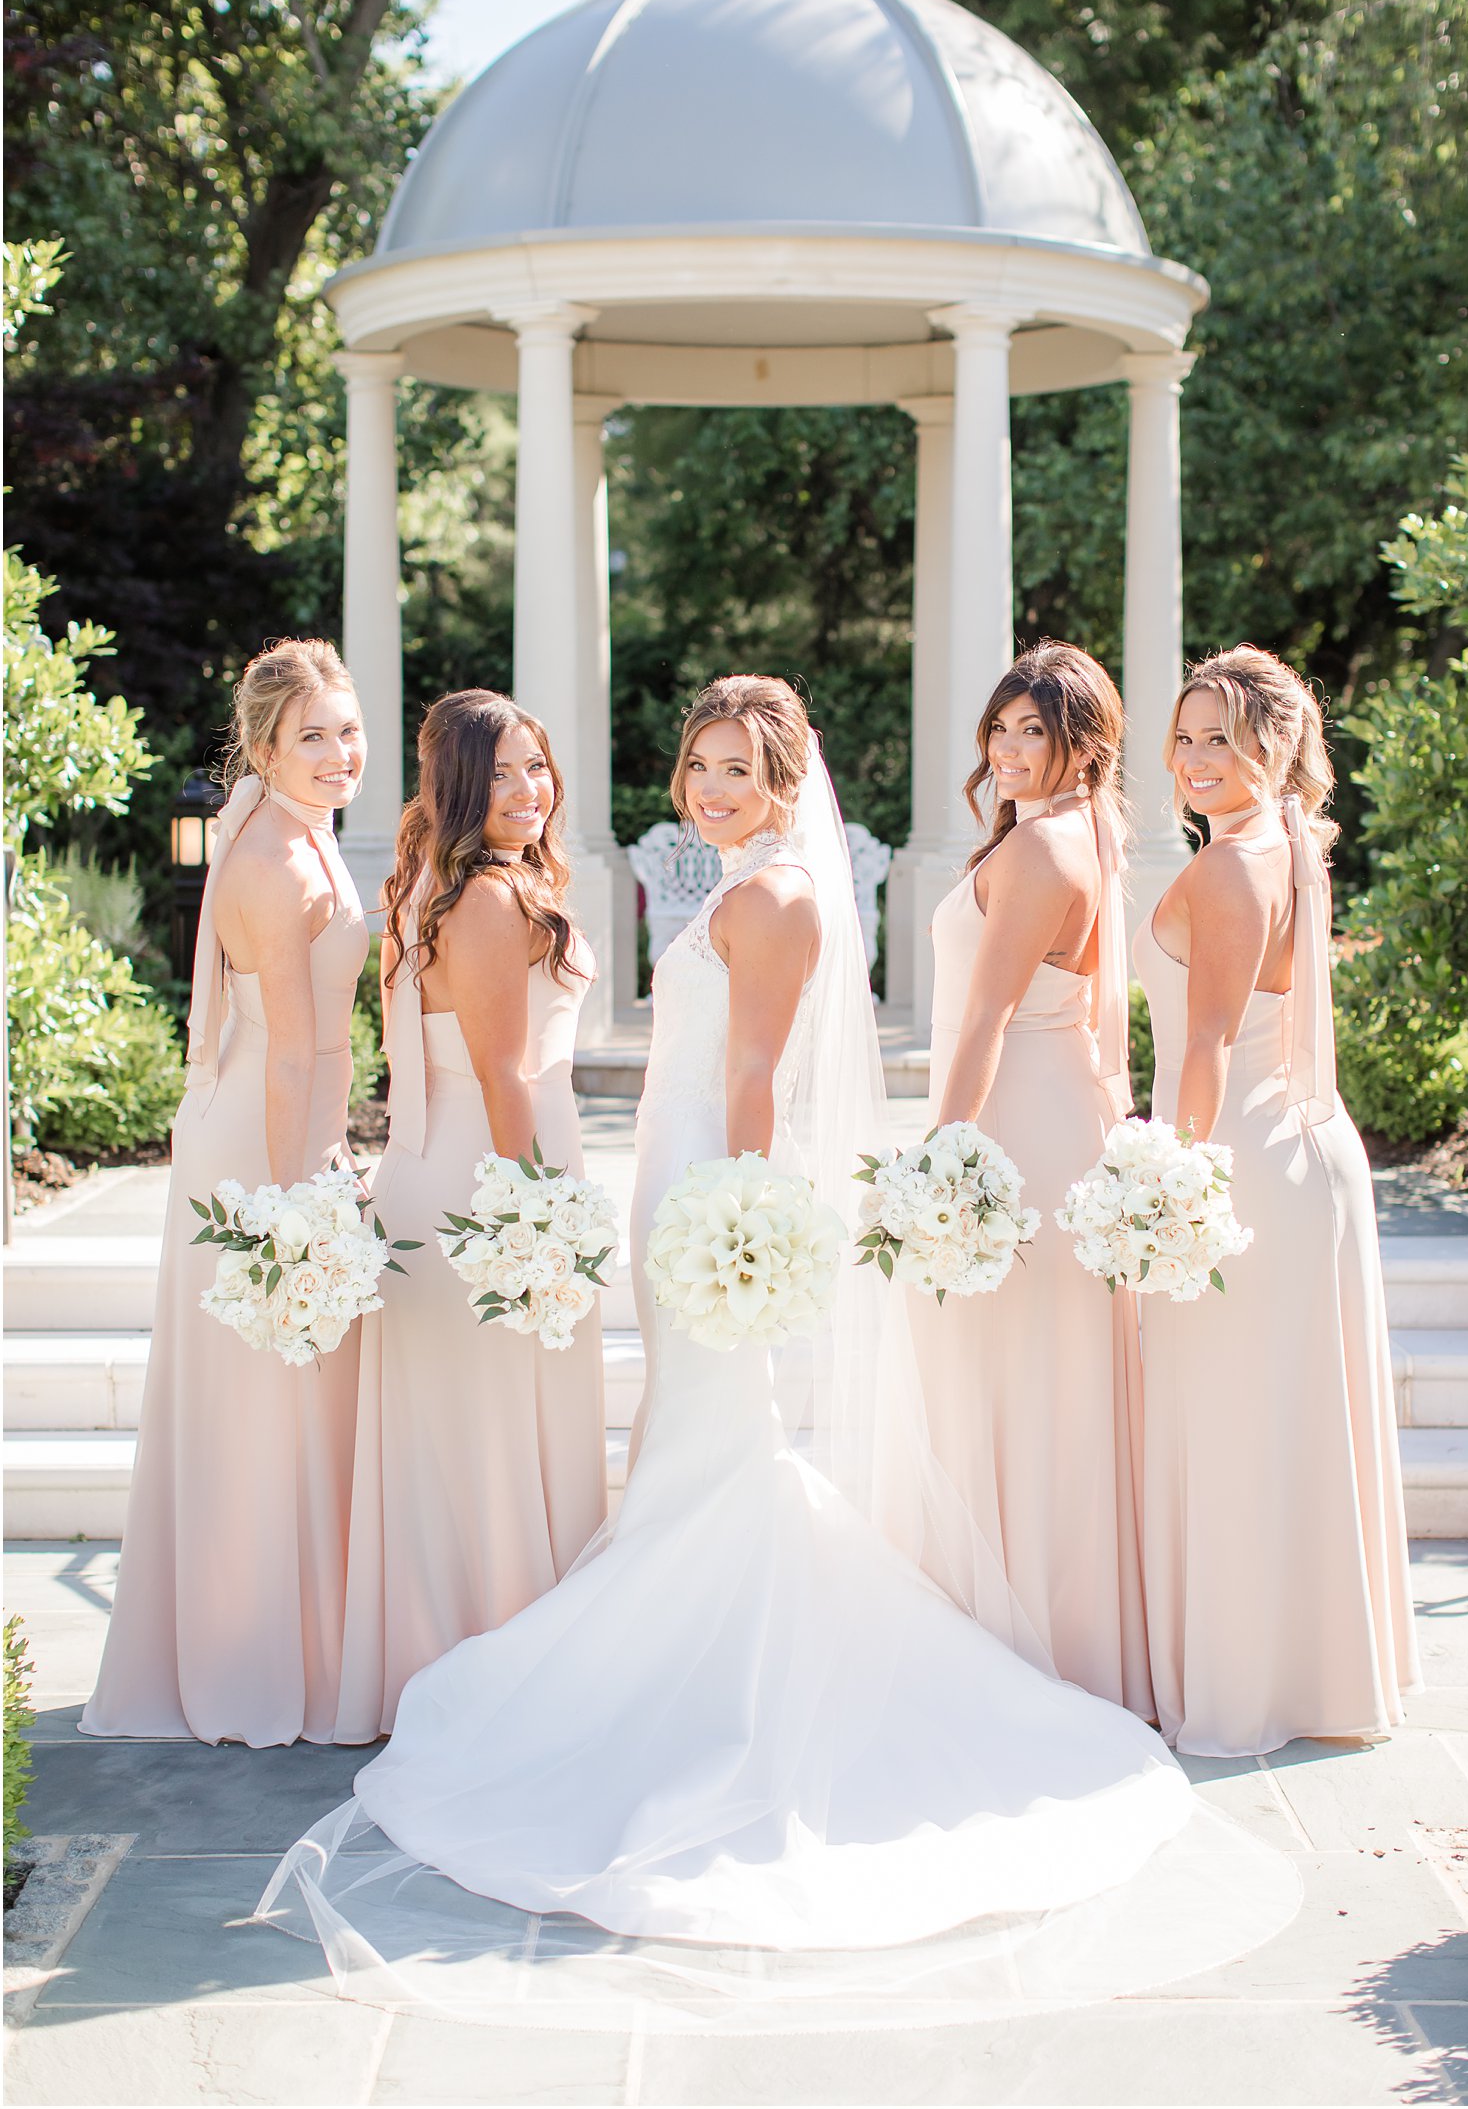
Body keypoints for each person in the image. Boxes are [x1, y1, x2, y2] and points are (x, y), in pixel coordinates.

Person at [259, 674, 1298, 2022]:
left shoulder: (775, 899)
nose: (710, 790)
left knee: (717, 1438)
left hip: (707, 1188)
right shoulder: (741, 886)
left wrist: (740, 1209)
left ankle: (707, 1677)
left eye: (739, 771)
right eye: (699, 765)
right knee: (695, 1435)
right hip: (680, 1181)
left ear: (789, 782)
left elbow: (755, 1074)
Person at [1133, 644, 1419, 1756]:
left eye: (1221, 738)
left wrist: (1167, 1183)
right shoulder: (1293, 849)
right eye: (1187, 736)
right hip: (1311, 1155)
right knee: (1290, 1421)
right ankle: (1314, 1678)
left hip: (1237, 1160)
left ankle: (1241, 1690)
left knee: (1232, 1427)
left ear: (1276, 747)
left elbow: (1201, 1044)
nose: (1195, 758)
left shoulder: (1226, 869)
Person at [82, 639, 369, 1746]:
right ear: (261, 747)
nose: (339, 752)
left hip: (283, 1132)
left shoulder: (306, 833)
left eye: (346, 730)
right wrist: (303, 1207)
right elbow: (294, 1054)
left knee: (282, 1398)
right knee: (260, 1398)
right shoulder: (276, 862)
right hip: (262, 1145)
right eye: (313, 737)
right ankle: (251, 1660)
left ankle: (291, 1638)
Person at [332, 692, 606, 1741]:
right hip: (491, 1176)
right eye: (498, 774)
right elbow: (502, 1074)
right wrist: (534, 1222)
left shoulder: (426, 886)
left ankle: (441, 1666)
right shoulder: (487, 900)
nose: (527, 791)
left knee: (459, 1440)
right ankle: (507, 1677)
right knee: (497, 1438)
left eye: (535, 767)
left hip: (435, 1165)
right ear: (455, 785)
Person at [913, 642, 1149, 1713]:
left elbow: (984, 1018)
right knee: (1043, 1381)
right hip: (1061, 1114)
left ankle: (1015, 1642)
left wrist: (941, 1158)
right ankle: (1055, 1633)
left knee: (1012, 1380)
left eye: (1031, 733)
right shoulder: (1082, 835)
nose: (1006, 750)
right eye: (998, 730)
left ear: (1078, 746)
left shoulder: (1041, 850)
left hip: (1015, 1122)